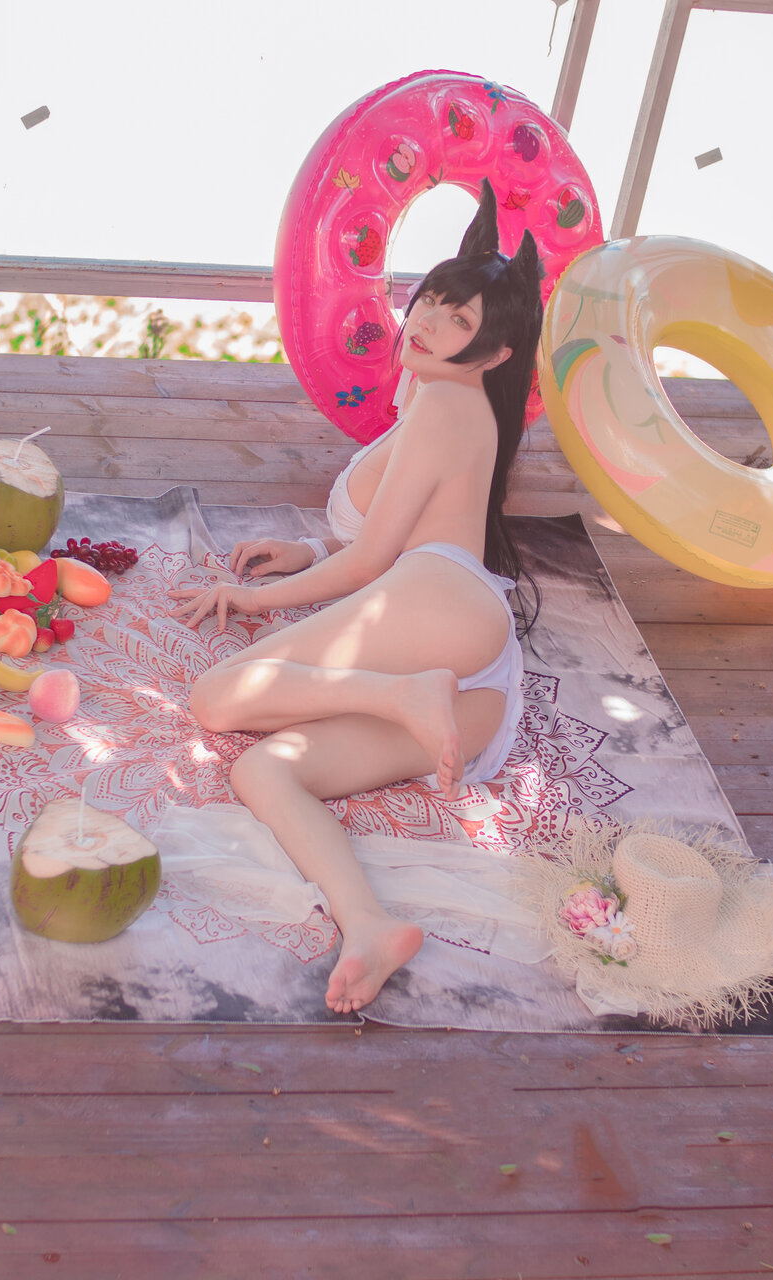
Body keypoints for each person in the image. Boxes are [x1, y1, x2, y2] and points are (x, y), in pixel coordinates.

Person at [168, 180, 542, 1014]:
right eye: (431, 300)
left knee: (216, 697)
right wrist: (311, 550)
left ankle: (401, 695)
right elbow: (394, 532)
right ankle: (367, 924)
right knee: (266, 771)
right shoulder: (444, 399)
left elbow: (375, 559)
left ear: (493, 355)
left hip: (437, 606)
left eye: (457, 320)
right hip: (476, 696)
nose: (426, 321)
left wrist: (251, 600)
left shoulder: (444, 403)